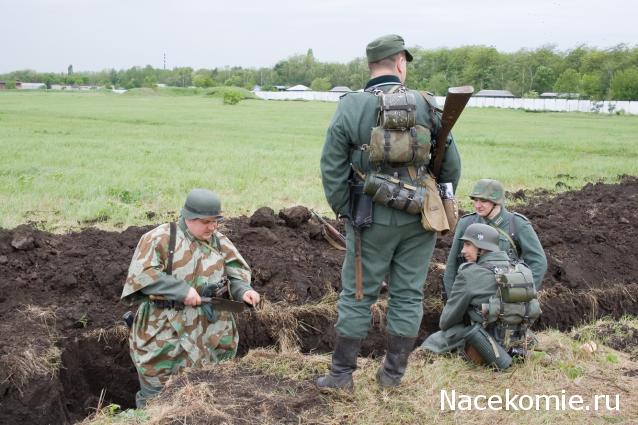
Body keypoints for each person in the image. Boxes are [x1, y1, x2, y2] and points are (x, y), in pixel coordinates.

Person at [318, 34, 461, 390]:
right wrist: (439, 202)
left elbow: (332, 167)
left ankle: (340, 376)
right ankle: (392, 376)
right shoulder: (428, 103)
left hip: (370, 217)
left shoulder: (351, 106)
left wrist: (345, 210)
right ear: (400, 63)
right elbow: (451, 166)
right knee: (409, 294)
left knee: (357, 294)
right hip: (420, 218)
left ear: (371, 66)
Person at [121, 188, 260, 408]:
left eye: (216, 221)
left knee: (209, 397)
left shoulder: (219, 242)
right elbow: (142, 276)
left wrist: (244, 291)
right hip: (165, 338)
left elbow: (235, 274)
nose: (212, 227)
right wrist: (181, 290)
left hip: (210, 337)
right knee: (157, 400)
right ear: (189, 218)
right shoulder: (159, 239)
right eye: (206, 222)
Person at [422, 223, 540, 369]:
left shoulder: (470, 273)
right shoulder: (521, 269)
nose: (463, 251)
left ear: (482, 248)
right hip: (517, 338)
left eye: (467, 245)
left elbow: (446, 321)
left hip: (483, 342)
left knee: (432, 343)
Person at [443, 179, 547, 299]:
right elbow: (452, 265)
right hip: (472, 294)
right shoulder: (467, 223)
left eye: (483, 201)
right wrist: (452, 300)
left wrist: (523, 293)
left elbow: (539, 262)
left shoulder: (517, 224)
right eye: (475, 200)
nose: (477, 205)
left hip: (505, 293)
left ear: (496, 203)